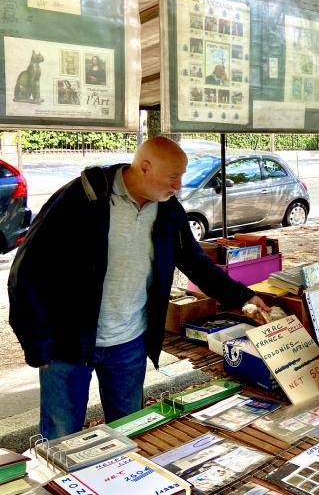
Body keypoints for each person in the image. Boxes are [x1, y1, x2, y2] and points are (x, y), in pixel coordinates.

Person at [8, 137, 270, 439]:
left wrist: (244, 296)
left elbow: (196, 264)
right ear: (145, 168)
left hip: (129, 342)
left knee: (129, 430)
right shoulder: (81, 198)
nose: (179, 186)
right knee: (61, 434)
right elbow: (26, 273)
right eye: (174, 177)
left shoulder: (168, 210)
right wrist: (36, 344)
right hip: (67, 343)